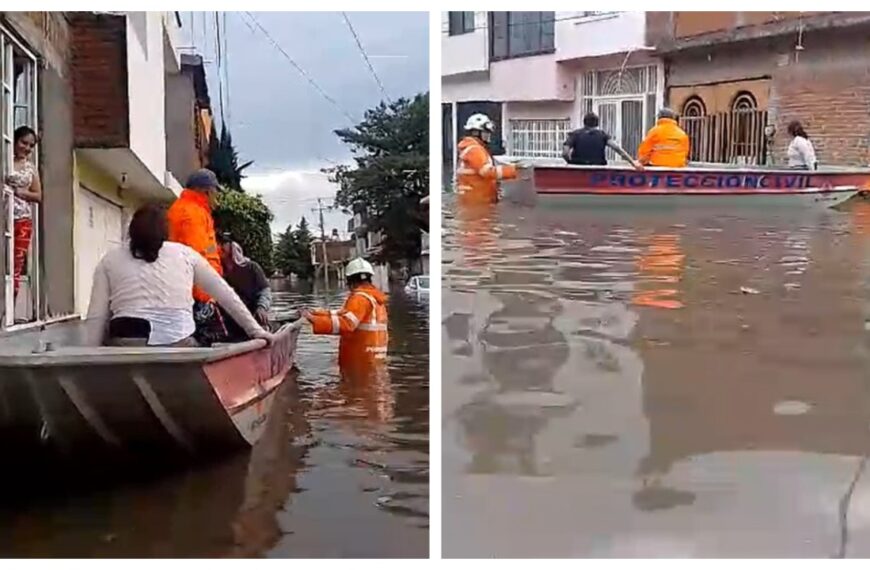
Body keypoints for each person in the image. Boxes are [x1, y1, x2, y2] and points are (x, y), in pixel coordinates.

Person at [86, 204, 273, 347]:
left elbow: (96, 317)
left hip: (126, 343)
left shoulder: (109, 259)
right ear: (166, 232)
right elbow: (226, 296)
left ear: (131, 231)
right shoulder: (185, 254)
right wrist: (256, 331)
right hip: (177, 343)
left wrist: (90, 355)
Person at [166, 168, 226, 344]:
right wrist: (207, 298)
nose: (217, 197)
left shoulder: (190, 210)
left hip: (189, 291)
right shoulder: (192, 215)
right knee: (207, 342)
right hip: (196, 295)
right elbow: (196, 259)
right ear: (206, 191)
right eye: (216, 192)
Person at [302, 258, 388, 369]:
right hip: (374, 356)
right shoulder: (375, 298)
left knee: (354, 385)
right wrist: (316, 313)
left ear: (350, 280)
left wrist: (313, 319)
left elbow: (346, 323)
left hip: (359, 359)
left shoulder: (359, 298)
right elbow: (344, 314)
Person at [4, 126, 42, 298]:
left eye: (31, 145)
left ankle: (8, 312)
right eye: (23, 143)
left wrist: (22, 193)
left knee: (15, 264)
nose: (26, 148)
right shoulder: (4, 160)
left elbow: (39, 196)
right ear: (14, 140)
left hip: (21, 221)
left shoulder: (31, 168)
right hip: (3, 216)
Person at [217, 232, 272, 341]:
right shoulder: (216, 270)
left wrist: (262, 307)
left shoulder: (251, 267)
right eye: (217, 243)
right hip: (226, 321)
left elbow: (265, 291)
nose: (220, 247)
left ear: (232, 246)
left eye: (223, 243)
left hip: (252, 317)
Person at [456, 113, 519, 204]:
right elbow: (487, 171)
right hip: (477, 203)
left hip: (473, 201)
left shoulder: (470, 148)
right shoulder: (475, 149)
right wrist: (514, 170)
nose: (488, 135)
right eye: (486, 132)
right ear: (476, 132)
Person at [563, 112, 642, 169]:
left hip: (578, 169)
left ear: (584, 123)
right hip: (598, 171)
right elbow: (617, 149)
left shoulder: (575, 134)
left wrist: (570, 162)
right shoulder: (602, 135)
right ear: (597, 123)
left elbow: (565, 153)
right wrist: (633, 163)